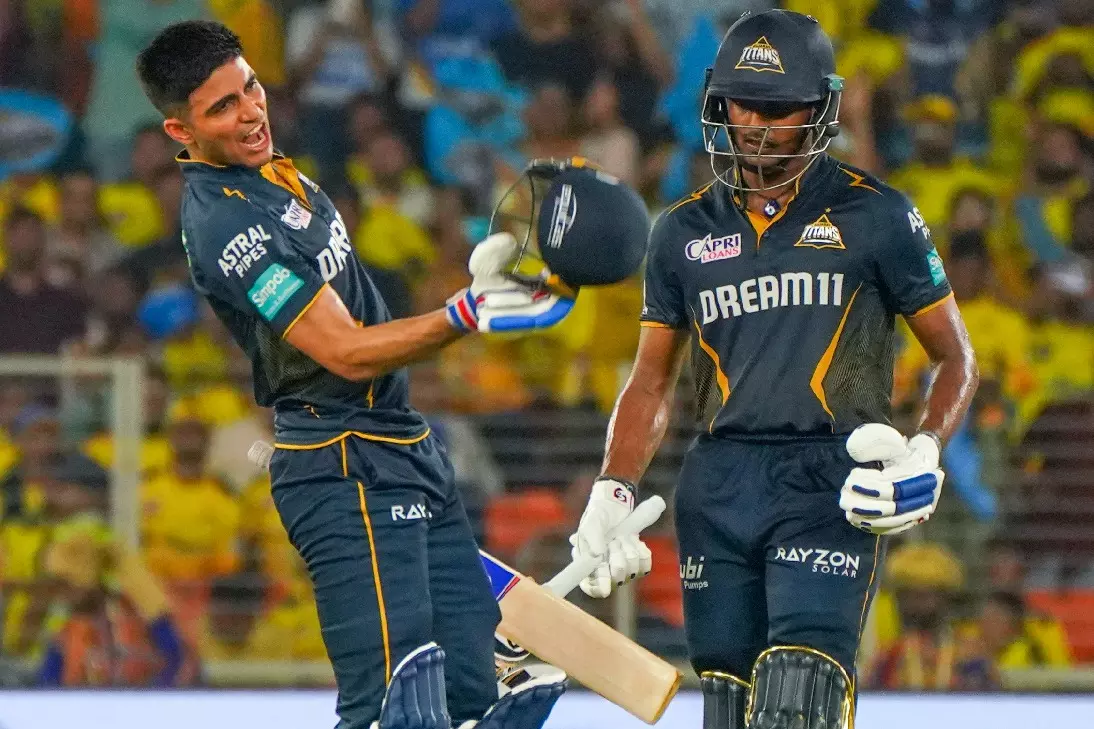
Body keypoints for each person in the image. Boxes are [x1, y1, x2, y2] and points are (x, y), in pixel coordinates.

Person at [134, 20, 582, 729]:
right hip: (340, 463)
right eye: (222, 107)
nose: (250, 113)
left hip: (405, 446)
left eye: (250, 88)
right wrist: (466, 313)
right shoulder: (225, 224)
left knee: (475, 703)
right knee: (391, 709)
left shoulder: (278, 174)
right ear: (179, 130)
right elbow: (343, 350)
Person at [568, 10, 979, 729]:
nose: (755, 124)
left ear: (820, 109)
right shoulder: (680, 233)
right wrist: (613, 485)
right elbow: (650, 381)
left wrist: (925, 451)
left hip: (831, 479)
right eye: (742, 103)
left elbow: (957, 357)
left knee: (800, 695)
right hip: (717, 483)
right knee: (728, 706)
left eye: (778, 108)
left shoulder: (879, 215)